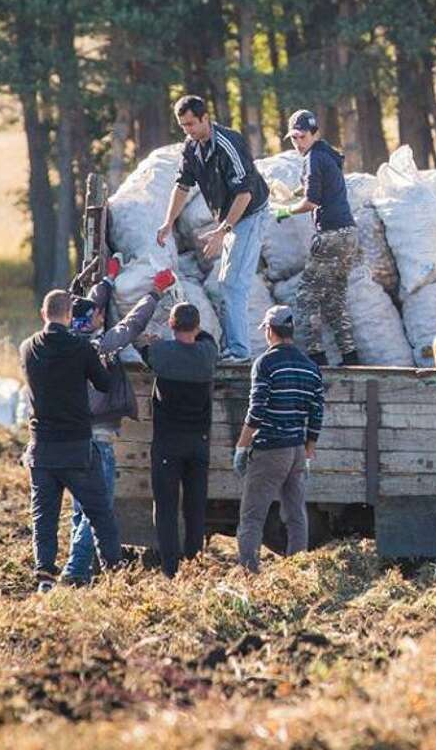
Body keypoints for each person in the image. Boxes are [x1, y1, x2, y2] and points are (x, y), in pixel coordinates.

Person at [61, 254, 172, 585]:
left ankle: (79, 568)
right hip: (99, 442)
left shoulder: (65, 342)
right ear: (93, 320)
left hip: (73, 440)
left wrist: (107, 282)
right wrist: (155, 292)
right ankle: (75, 571)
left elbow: (88, 307)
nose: (100, 316)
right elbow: (131, 325)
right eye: (97, 315)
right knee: (98, 507)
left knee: (82, 509)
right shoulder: (100, 345)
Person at [19, 288, 121, 592]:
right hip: (76, 448)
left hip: (41, 449)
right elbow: (104, 385)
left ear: (43, 314)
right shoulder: (81, 349)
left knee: (44, 517)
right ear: (69, 316)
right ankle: (116, 575)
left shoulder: (27, 348)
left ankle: (46, 580)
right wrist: (104, 358)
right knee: (99, 513)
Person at [156, 95, 269, 363]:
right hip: (230, 218)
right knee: (224, 284)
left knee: (232, 284)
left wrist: (222, 231)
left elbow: (245, 195)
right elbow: (182, 186)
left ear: (206, 118)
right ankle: (233, 347)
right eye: (183, 126)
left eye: (192, 124)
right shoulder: (191, 147)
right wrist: (168, 222)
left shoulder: (230, 144)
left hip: (250, 215)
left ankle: (240, 352)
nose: (188, 131)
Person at [232, 305, 325, 573]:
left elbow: (256, 410)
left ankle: (249, 572)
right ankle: (297, 571)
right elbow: (317, 413)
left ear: (270, 331)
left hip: (271, 449)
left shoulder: (266, 363)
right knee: (296, 515)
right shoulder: (310, 367)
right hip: (296, 449)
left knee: (251, 517)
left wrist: (241, 447)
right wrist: (308, 451)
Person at [273, 109, 362, 367]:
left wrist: (285, 209)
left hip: (331, 234)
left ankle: (316, 358)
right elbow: (317, 185)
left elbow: (312, 201)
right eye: (293, 138)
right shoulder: (327, 154)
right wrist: (292, 194)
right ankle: (350, 357)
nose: (297, 143)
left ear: (314, 134)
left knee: (306, 298)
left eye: (301, 137)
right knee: (334, 298)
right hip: (349, 234)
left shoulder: (313, 158)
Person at [144, 301, 219, 577]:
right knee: (195, 507)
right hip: (198, 443)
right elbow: (209, 339)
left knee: (165, 507)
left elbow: (142, 348)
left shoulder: (161, 353)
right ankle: (193, 562)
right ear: (197, 327)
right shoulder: (208, 353)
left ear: (170, 326)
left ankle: (170, 569)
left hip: (168, 442)